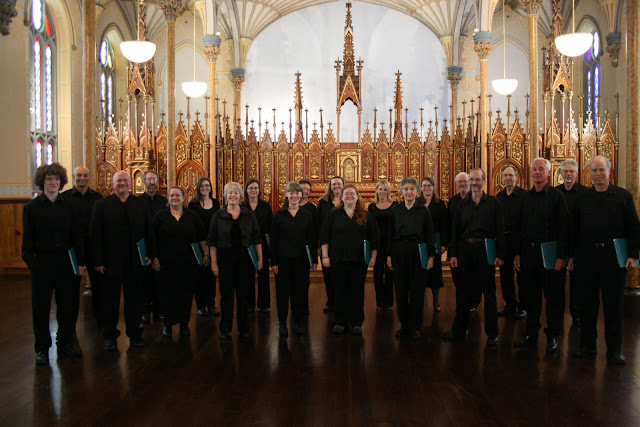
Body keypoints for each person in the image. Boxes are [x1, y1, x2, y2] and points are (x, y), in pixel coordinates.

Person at [570, 156, 640, 365]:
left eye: (602, 170)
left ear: (609, 171)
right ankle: (588, 346)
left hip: (613, 259)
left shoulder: (623, 196)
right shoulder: (582, 199)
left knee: (613, 306)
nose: (598, 174)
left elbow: (634, 227)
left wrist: (633, 255)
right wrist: (572, 256)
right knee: (587, 305)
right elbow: (574, 230)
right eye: (594, 170)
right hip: (586, 259)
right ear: (589, 173)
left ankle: (614, 350)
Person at [22, 163, 85, 365]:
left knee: (68, 306)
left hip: (66, 262)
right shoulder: (31, 208)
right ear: (42, 182)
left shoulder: (69, 205)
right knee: (40, 308)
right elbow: (27, 242)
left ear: (61, 182)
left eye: (57, 179)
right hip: (43, 263)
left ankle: (65, 342)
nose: (53, 182)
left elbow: (77, 236)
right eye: (49, 179)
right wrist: (33, 265)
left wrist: (80, 262)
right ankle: (42, 348)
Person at [90, 170, 155, 351]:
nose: (122, 184)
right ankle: (110, 336)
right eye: (119, 181)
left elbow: (148, 231)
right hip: (110, 261)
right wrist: (98, 260)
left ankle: (134, 335)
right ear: (113, 184)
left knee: (135, 300)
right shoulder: (101, 205)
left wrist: (150, 254)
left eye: (125, 181)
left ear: (131, 183)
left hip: (135, 260)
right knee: (109, 301)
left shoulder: (139, 204)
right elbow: (95, 235)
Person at [513, 158, 569, 353]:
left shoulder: (556, 196)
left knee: (553, 297)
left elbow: (564, 229)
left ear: (548, 172)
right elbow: (519, 228)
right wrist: (518, 253)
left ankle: (553, 336)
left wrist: (562, 256)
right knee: (530, 296)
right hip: (528, 253)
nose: (537, 172)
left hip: (550, 254)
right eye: (534, 169)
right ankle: (531, 333)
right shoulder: (525, 198)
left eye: (541, 170)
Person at [442, 168, 503, 346]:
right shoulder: (461, 205)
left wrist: (499, 254)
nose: (474, 183)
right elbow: (455, 231)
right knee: (463, 293)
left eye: (477, 179)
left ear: (483, 181)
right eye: (471, 179)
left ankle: (492, 333)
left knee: (489, 294)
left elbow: (500, 230)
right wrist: (452, 254)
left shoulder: (493, 203)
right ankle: (459, 329)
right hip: (464, 251)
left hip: (485, 250)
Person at [322, 184, 380, 335]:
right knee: (339, 291)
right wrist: (325, 255)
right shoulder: (333, 215)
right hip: (337, 259)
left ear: (357, 197)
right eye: (346, 194)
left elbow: (374, 238)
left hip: (359, 261)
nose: (349, 196)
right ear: (341, 197)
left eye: (352, 194)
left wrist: (373, 257)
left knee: (357, 291)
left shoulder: (366, 215)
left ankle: (357, 322)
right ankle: (340, 321)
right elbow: (325, 237)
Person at [208, 182, 262, 341]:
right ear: (225, 196)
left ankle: (243, 328)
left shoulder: (248, 214)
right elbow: (212, 241)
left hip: (245, 260)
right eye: (230, 193)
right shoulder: (218, 215)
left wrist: (260, 259)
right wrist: (214, 263)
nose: (233, 196)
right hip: (225, 261)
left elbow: (257, 237)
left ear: (240, 196)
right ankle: (225, 329)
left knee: (243, 295)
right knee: (226, 296)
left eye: (236, 193)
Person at [152, 186, 207, 337]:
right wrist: (154, 257)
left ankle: (184, 324)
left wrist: (206, 254)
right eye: (171, 196)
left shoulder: (192, 216)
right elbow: (152, 239)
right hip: (165, 263)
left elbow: (201, 236)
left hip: (188, 263)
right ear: (168, 199)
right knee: (167, 294)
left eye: (177, 196)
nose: (174, 198)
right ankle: (168, 325)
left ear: (184, 198)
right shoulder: (160, 216)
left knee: (186, 293)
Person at [387, 177, 434, 340]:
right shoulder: (396, 210)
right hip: (399, 252)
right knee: (400, 291)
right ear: (401, 192)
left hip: (418, 252)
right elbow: (390, 234)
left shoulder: (423, 211)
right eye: (405, 189)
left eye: (412, 189)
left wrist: (430, 256)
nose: (408, 192)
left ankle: (415, 326)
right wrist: (389, 255)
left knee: (417, 291)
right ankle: (404, 325)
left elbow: (429, 234)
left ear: (417, 192)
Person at [271, 182, 315, 336]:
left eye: (298, 193)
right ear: (287, 195)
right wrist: (274, 262)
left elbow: (311, 239)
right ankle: (282, 323)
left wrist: (313, 260)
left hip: (301, 261)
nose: (295, 195)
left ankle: (297, 322)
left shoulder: (307, 215)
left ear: (301, 195)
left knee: (299, 292)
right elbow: (274, 241)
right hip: (282, 261)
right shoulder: (279, 215)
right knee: (282, 293)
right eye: (292, 193)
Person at [61, 166, 103, 330]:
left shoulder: (97, 198)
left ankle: (101, 323)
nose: (82, 178)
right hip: (73, 249)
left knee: (99, 286)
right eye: (79, 175)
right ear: (73, 176)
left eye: (85, 175)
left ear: (89, 177)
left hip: (93, 247)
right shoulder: (64, 198)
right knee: (71, 289)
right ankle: (69, 327)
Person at [555, 159, 589, 327]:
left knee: (577, 283)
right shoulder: (554, 193)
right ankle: (558, 313)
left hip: (578, 244)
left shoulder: (586, 194)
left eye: (571, 171)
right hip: (558, 245)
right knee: (557, 282)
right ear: (560, 174)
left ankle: (576, 314)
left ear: (577, 173)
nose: (568, 174)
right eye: (565, 171)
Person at [495, 165, 526, 320]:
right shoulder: (499, 197)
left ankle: (523, 306)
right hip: (503, 242)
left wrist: (519, 251)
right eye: (505, 175)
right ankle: (510, 304)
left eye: (510, 175)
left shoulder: (524, 196)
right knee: (505, 276)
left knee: (521, 276)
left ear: (516, 177)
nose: (508, 178)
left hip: (518, 241)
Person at [188, 177, 221, 317]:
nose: (204, 188)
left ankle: (212, 305)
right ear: (198, 187)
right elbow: (191, 225)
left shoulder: (215, 203)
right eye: (201, 186)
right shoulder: (193, 204)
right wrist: (203, 248)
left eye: (207, 185)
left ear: (210, 187)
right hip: (197, 244)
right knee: (199, 276)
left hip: (213, 243)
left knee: (211, 276)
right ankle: (201, 306)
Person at [448, 172, 481, 312]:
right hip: (457, 243)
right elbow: (449, 225)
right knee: (457, 275)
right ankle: (463, 303)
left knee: (474, 277)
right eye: (459, 182)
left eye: (465, 181)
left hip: (472, 244)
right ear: (456, 184)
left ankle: (473, 303)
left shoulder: (475, 199)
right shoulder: (453, 201)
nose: (462, 184)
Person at [138, 170, 167, 324]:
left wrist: (156, 254)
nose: (151, 182)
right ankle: (144, 311)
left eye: (154, 179)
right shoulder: (137, 201)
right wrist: (148, 253)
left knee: (160, 281)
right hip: (143, 248)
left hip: (160, 247)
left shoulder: (163, 201)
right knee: (144, 282)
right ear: (144, 181)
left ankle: (159, 310)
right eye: (149, 179)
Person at [243, 179, 273, 313]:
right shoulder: (243, 207)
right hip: (247, 246)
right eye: (250, 188)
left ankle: (264, 304)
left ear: (259, 190)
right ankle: (249, 305)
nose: (253, 190)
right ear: (246, 191)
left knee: (263, 275)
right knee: (248, 276)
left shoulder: (265, 207)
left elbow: (271, 227)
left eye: (255, 188)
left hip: (263, 245)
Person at [368, 180, 398, 311]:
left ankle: (389, 302)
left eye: (384, 189)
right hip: (377, 243)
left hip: (391, 242)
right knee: (378, 273)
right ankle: (380, 302)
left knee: (391, 272)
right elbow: (369, 227)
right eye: (380, 189)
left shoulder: (395, 205)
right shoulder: (372, 207)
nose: (382, 192)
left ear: (388, 191)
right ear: (376, 191)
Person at [420, 177, 447, 313]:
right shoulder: (418, 202)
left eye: (429, 185)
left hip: (435, 241)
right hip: (420, 241)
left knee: (435, 271)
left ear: (433, 187)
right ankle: (421, 300)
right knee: (421, 271)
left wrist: (443, 244)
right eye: (424, 186)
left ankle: (435, 300)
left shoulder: (440, 204)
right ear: (421, 188)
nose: (427, 188)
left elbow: (444, 225)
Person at [317, 176, 344, 313]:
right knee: (328, 274)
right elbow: (318, 225)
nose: (336, 186)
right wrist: (319, 246)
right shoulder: (323, 203)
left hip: (343, 244)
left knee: (341, 275)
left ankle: (342, 302)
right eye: (334, 184)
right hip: (327, 244)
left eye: (339, 184)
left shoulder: (347, 200)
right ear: (330, 186)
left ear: (343, 186)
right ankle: (331, 302)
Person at [299, 179, 318, 315]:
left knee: (304, 280)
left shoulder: (312, 209)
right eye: (302, 189)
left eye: (307, 189)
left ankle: (303, 306)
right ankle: (295, 305)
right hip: (291, 249)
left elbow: (315, 232)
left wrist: (315, 250)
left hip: (305, 249)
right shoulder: (287, 206)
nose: (305, 191)